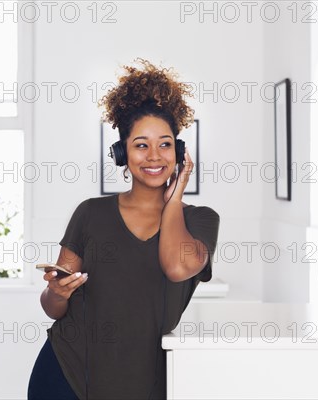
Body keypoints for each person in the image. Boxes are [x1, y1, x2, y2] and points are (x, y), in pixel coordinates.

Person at [27, 58, 220, 400]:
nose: (154, 156)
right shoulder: (90, 214)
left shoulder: (201, 220)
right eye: (140, 145)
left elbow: (176, 268)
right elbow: (53, 306)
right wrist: (57, 293)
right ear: (122, 154)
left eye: (164, 144)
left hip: (145, 382)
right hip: (68, 371)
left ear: (179, 152)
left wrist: (174, 199)